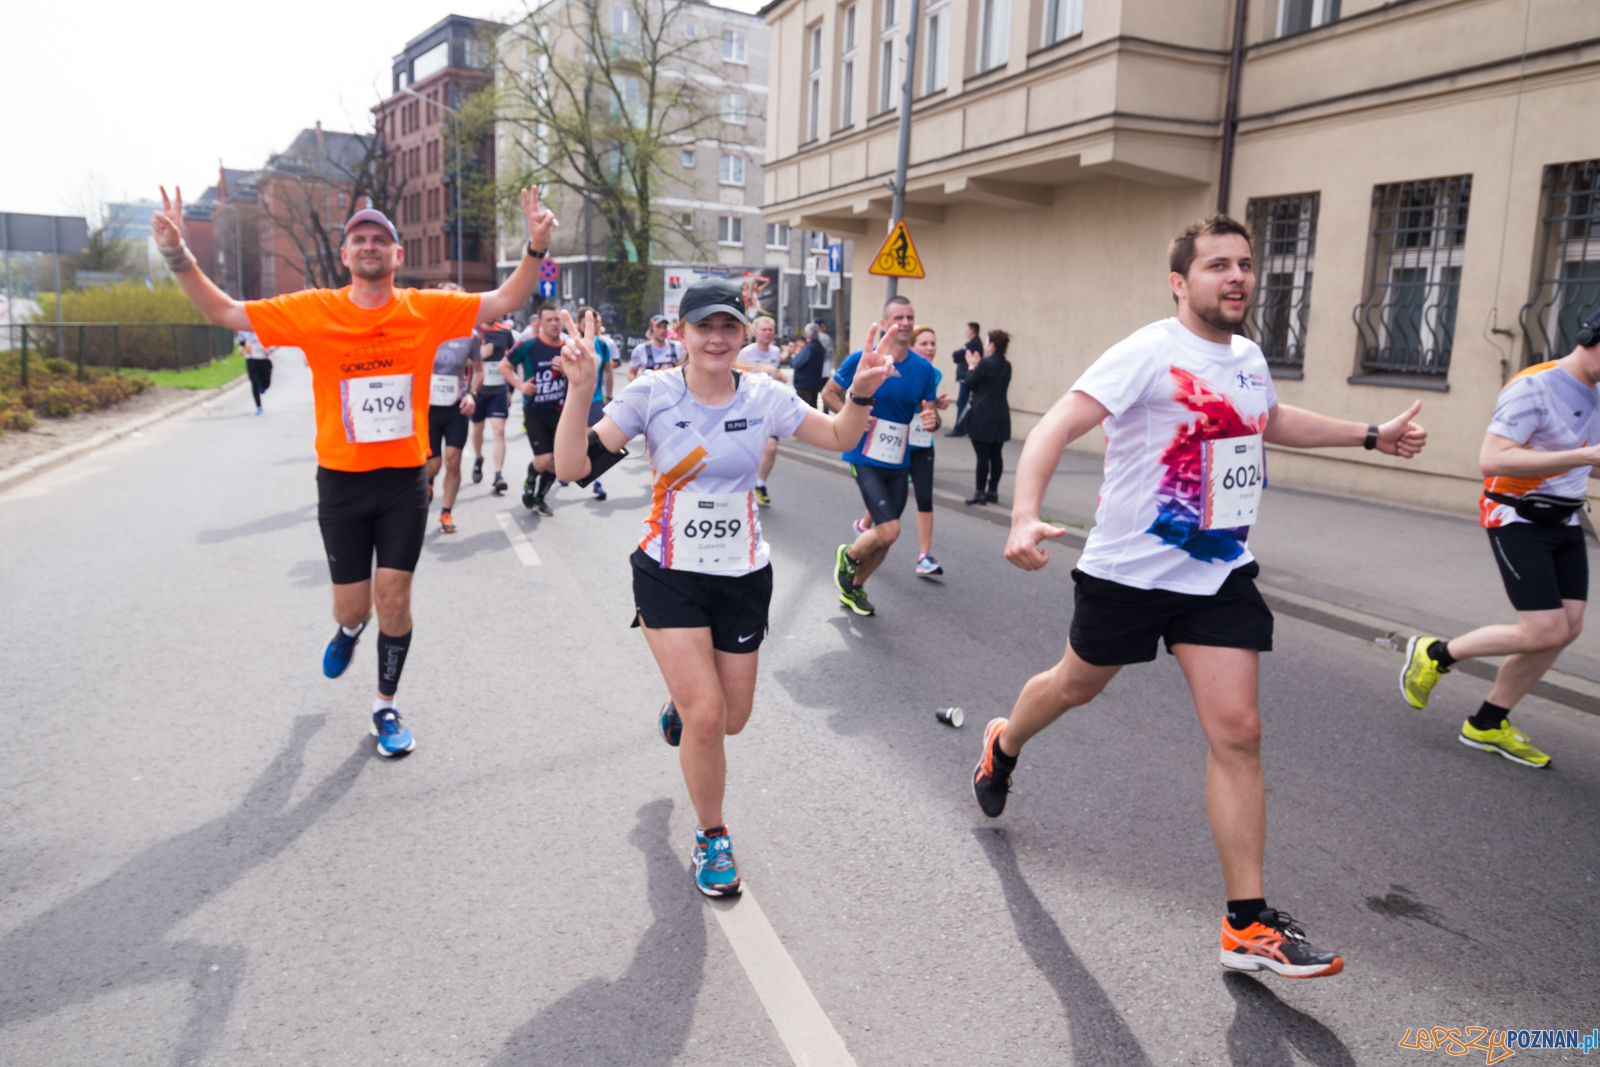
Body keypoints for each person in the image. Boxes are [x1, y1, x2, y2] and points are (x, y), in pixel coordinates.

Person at [971, 214, 1428, 978]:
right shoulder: (1147, 352)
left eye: (1245, 263)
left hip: (1216, 572)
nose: (1238, 276)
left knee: (1240, 731)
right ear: (1181, 281)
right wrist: (1022, 514)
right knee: (1074, 685)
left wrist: (1369, 434)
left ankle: (1247, 925)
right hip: (1128, 572)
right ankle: (1004, 742)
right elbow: (1055, 426)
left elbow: (1269, 419)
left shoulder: (1247, 355)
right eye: (1219, 265)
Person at [151, 185, 556, 755]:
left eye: (380, 240)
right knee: (354, 605)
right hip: (341, 482)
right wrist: (177, 255)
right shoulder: (313, 310)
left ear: (397, 256)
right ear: (346, 256)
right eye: (359, 239)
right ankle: (347, 630)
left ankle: (384, 706)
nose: (370, 246)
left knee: (394, 597)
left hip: (402, 480)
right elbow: (222, 310)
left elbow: (503, 300)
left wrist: (536, 245)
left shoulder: (425, 308)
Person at [550, 277, 894, 897]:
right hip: (668, 572)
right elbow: (573, 469)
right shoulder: (651, 393)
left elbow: (842, 436)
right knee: (706, 717)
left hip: (741, 575)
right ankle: (713, 836)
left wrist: (860, 395)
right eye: (702, 326)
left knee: (732, 719)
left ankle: (681, 707)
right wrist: (580, 393)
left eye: (728, 326)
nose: (716, 337)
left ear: (743, 334)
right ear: (679, 334)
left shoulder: (765, 395)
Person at [1397, 308, 1600, 769]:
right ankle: (1435, 652)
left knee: (1565, 629)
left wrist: (1588, 460)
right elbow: (1492, 459)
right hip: (1517, 516)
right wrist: (1584, 455)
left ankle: (1488, 723)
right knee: (1544, 629)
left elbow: (1585, 460)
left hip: (1565, 520)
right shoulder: (1536, 385)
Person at [821, 295, 941, 616]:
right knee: (889, 530)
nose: (905, 323)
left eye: (910, 317)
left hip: (899, 460)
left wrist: (933, 420)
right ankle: (847, 555)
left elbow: (928, 414)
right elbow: (829, 393)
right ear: (885, 324)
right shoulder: (863, 359)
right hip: (864, 456)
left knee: (886, 538)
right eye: (898, 317)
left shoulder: (924, 370)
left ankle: (854, 587)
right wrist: (852, 416)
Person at [854, 325, 950, 576]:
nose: (930, 348)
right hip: (896, 444)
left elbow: (931, 416)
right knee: (883, 501)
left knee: (924, 498)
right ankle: (865, 528)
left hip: (922, 444)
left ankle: (924, 556)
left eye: (933, 343)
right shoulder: (899, 368)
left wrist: (935, 412)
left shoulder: (931, 373)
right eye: (924, 344)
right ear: (911, 347)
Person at [503, 303, 569, 517]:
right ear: (540, 323)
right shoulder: (527, 345)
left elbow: (584, 376)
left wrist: (567, 370)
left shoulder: (568, 347)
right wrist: (521, 385)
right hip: (534, 411)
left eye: (557, 319)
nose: (554, 324)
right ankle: (530, 481)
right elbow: (504, 366)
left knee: (557, 464)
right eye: (549, 320)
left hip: (560, 412)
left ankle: (540, 497)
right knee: (543, 460)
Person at [424, 333, 482, 534]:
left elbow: (478, 370)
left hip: (456, 407)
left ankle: (446, 512)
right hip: (427, 408)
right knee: (433, 465)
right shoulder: (426, 328)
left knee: (453, 461)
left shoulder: (470, 337)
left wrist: (471, 395)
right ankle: (428, 481)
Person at [737, 314, 787, 507]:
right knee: (748, 449)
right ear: (755, 332)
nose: (767, 333)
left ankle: (760, 484)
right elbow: (736, 377)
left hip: (770, 407)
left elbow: (775, 373)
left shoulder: (775, 352)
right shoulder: (745, 353)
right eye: (764, 330)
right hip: (749, 407)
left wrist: (779, 377)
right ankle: (743, 484)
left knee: (771, 447)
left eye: (770, 330)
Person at [963, 329, 1014, 506]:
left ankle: (979, 492)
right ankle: (993, 491)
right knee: (996, 455)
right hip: (1000, 414)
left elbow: (969, 383)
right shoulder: (1007, 365)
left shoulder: (985, 364)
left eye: (986, 342)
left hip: (982, 415)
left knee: (982, 456)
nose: (985, 345)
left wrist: (971, 366)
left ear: (991, 345)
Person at [471, 316, 516, 495]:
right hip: (478, 389)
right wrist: (479, 356)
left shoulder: (505, 333)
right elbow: (464, 360)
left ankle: (498, 475)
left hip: (499, 389)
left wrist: (511, 388)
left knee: (499, 430)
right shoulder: (474, 332)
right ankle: (478, 458)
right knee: (477, 430)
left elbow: (512, 360)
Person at [580, 304, 618, 501]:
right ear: (580, 323)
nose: (593, 325)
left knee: (593, 440)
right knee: (574, 438)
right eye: (589, 321)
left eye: (595, 322)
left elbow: (608, 371)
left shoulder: (602, 345)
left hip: (595, 400)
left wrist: (609, 397)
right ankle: (561, 468)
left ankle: (596, 481)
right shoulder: (570, 344)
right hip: (573, 402)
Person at [946, 322, 982, 437]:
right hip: (966, 376)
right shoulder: (972, 343)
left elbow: (958, 354)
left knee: (962, 402)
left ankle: (960, 427)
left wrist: (959, 356)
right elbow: (957, 356)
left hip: (967, 377)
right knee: (964, 401)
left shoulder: (974, 344)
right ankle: (963, 426)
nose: (966, 332)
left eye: (967, 330)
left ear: (972, 331)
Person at [629, 314, 685, 381]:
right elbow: (631, 373)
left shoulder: (678, 347)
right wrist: (639, 388)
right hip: (651, 389)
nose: (662, 330)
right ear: (651, 328)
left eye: (664, 327)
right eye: (658, 327)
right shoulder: (641, 349)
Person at [791, 323, 827, 409]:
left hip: (804, 385)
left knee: (803, 411)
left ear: (807, 334)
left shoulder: (809, 348)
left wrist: (794, 356)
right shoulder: (820, 347)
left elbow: (796, 364)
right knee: (813, 409)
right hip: (815, 384)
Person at [243, 332, 275, 414]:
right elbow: (241, 338)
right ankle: (258, 406)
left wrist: (270, 349)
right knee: (254, 382)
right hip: (251, 358)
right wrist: (240, 346)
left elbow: (277, 342)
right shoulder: (245, 327)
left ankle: (263, 386)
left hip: (265, 358)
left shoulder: (266, 327)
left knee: (266, 383)